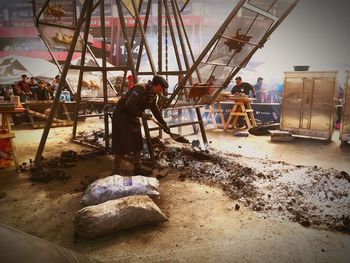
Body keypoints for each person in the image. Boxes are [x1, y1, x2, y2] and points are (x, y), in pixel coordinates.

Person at [112, 75, 170, 176]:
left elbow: (155, 110)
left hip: (133, 115)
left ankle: (137, 168)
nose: (163, 91)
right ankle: (116, 170)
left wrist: (163, 124)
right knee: (122, 142)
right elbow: (128, 104)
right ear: (158, 86)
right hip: (122, 115)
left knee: (137, 141)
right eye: (163, 88)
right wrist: (141, 114)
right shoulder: (140, 88)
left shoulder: (152, 95)